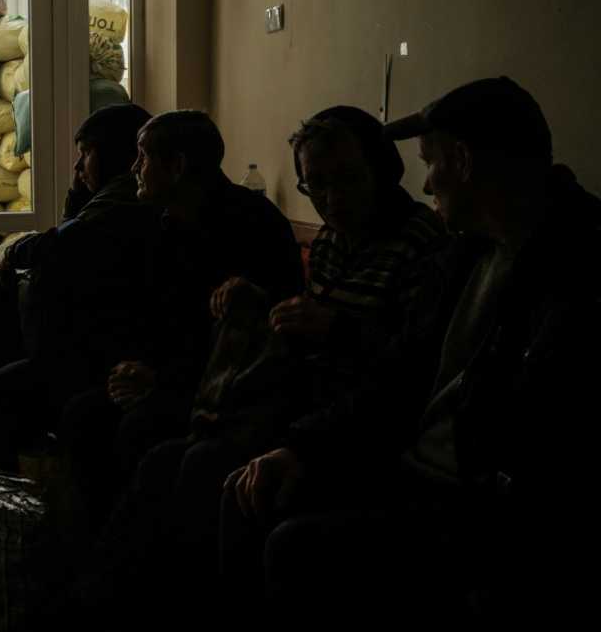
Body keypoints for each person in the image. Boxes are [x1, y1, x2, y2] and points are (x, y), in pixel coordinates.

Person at [224, 77, 601, 624]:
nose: (425, 184)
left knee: (290, 544)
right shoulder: (467, 253)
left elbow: (546, 447)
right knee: (245, 490)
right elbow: (397, 375)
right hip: (405, 466)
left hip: (471, 507)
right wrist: (302, 449)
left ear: (465, 162)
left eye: (431, 163)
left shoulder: (576, 265)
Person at [56, 106, 446, 626]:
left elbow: (409, 367)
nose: (330, 200)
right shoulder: (331, 239)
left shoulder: (419, 245)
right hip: (288, 398)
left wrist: (326, 333)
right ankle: (101, 592)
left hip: (356, 425)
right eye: (315, 187)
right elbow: (259, 334)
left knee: (188, 455)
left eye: (346, 180)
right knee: (143, 446)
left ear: (383, 171)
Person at [58, 110, 304, 531]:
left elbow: (249, 345)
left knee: (140, 431)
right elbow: (150, 314)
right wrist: (135, 368)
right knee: (83, 413)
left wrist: (161, 381)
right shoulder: (165, 224)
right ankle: (92, 542)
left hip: (230, 391)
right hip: (174, 374)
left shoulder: (252, 226)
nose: (134, 169)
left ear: (177, 167)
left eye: (143, 157)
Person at [0, 104, 157, 473]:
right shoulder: (114, 196)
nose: (78, 166)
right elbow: (70, 235)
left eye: (86, 153)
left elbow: (60, 243)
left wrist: (15, 251)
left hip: (111, 359)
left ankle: (18, 501)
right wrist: (79, 192)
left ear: (115, 154)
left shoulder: (129, 195)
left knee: (9, 386)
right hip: (95, 353)